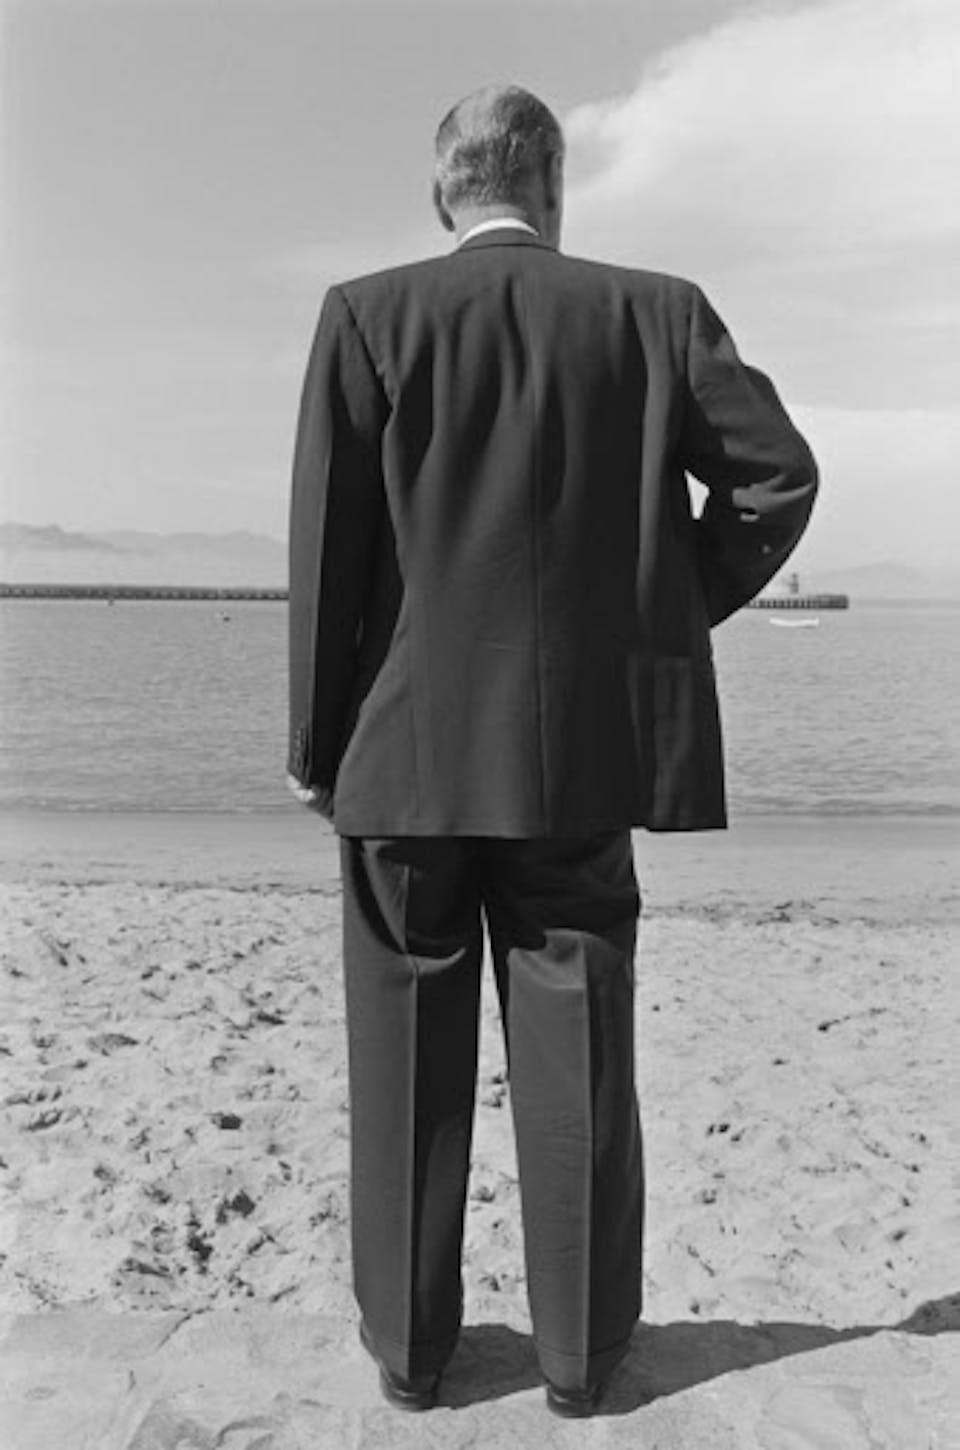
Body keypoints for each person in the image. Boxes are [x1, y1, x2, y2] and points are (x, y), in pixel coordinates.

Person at [287, 84, 817, 1417]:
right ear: (556, 185)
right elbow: (777, 480)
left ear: (443, 195)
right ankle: (581, 1364)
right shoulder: (657, 312)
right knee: (580, 1047)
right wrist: (657, 612)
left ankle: (411, 1357)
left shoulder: (369, 314)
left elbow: (330, 558)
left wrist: (312, 744)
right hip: (580, 757)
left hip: (403, 756)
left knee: (405, 1054)